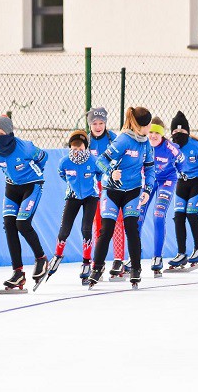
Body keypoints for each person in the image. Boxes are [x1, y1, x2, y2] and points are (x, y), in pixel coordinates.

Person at [89, 107, 155, 289]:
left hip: (133, 190)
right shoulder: (124, 139)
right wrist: (111, 173)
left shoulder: (146, 143)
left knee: (131, 228)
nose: (151, 127)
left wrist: (147, 190)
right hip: (112, 190)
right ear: (143, 125)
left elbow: (150, 169)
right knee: (107, 229)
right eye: (149, 124)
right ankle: (96, 268)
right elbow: (101, 160)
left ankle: (135, 269)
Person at [0, 115, 49, 293]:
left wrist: (35, 170)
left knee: (22, 223)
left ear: (10, 133)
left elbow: (44, 157)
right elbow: (3, 165)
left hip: (32, 186)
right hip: (11, 188)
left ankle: (41, 258)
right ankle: (18, 272)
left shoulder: (26, 148)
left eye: (2, 133)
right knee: (9, 225)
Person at [51, 130, 102, 285]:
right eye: (74, 149)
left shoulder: (93, 161)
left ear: (86, 148)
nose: (77, 152)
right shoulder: (64, 162)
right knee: (64, 228)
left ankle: (87, 263)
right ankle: (57, 256)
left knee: (86, 228)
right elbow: (62, 174)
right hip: (72, 196)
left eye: (80, 149)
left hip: (91, 196)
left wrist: (92, 186)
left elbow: (99, 174)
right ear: (70, 148)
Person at [136, 117, 184, 277]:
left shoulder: (170, 148)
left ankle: (157, 257)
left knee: (158, 215)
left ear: (162, 134)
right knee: (138, 217)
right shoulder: (143, 145)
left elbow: (181, 161)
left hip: (167, 181)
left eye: (157, 132)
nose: (153, 136)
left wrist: (181, 172)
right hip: (149, 181)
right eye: (151, 132)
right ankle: (133, 255)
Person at [168, 111, 198, 270]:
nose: (178, 134)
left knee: (191, 213)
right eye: (175, 132)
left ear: (187, 132)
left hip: (197, 183)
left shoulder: (196, 146)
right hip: (182, 183)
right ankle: (181, 253)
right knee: (178, 216)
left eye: (182, 132)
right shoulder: (170, 147)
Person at [87, 107, 128, 278]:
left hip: (111, 185)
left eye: (101, 123)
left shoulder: (114, 139)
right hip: (93, 186)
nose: (98, 126)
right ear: (89, 124)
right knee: (97, 223)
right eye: (94, 123)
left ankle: (119, 260)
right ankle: (98, 261)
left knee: (116, 221)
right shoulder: (86, 141)